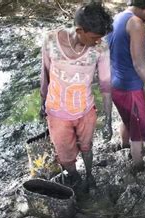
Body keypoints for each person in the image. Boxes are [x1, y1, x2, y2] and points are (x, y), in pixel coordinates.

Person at [39, 3, 113, 189]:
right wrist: (43, 104)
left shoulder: (100, 48)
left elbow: (105, 84)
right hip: (57, 113)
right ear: (80, 30)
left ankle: (89, 175)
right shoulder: (50, 40)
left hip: (85, 111)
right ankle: (75, 176)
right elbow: (45, 75)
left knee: (87, 147)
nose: (98, 41)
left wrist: (109, 120)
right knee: (64, 154)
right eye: (94, 37)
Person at [107, 0, 145, 172]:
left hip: (114, 83)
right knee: (138, 132)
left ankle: (124, 146)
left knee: (127, 120)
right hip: (130, 86)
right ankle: (138, 167)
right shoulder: (136, 23)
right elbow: (139, 64)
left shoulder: (116, 17)